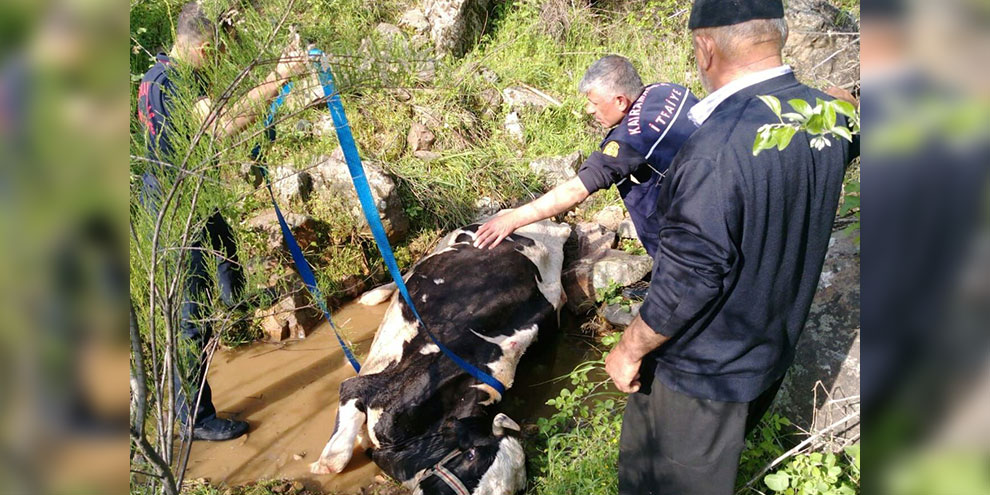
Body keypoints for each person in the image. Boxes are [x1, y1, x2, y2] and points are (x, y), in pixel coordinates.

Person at [602, 1, 859, 494]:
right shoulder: (825, 116)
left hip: (700, 379)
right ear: (778, 35)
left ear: (705, 46)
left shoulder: (713, 151)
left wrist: (628, 350)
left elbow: (689, 279)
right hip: (766, 354)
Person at [136, 2, 308, 441]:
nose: (216, 60)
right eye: (214, 52)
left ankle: (237, 303)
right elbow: (218, 124)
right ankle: (194, 417)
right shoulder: (168, 82)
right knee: (191, 316)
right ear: (202, 46)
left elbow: (226, 112)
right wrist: (278, 80)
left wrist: (272, 79)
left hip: (193, 194)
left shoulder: (170, 71)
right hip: (176, 210)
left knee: (226, 249)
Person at [473, 55, 698, 258]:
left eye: (595, 103)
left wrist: (512, 219)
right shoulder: (669, 90)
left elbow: (576, 190)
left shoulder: (628, 142)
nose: (589, 110)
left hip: (690, 233)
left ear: (620, 101)